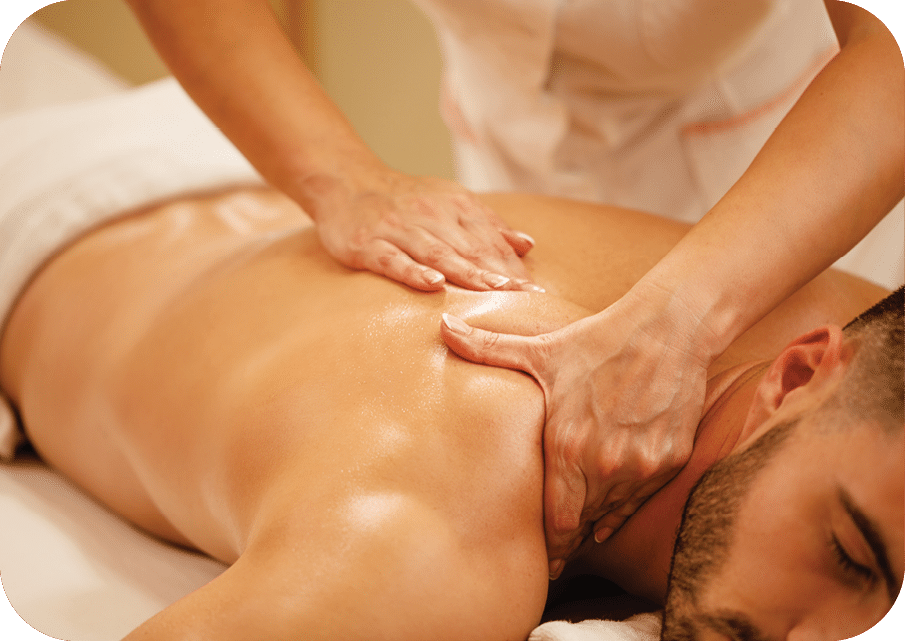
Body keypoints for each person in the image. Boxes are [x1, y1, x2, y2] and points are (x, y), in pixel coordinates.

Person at [0, 84, 901, 637]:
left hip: (210, 183)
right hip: (38, 219)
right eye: (847, 553)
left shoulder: (863, 332)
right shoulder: (460, 509)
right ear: (793, 376)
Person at [122, 0, 905, 575]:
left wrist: (679, 318)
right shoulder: (460, 481)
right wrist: (338, 177)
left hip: (788, 191)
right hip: (510, 159)